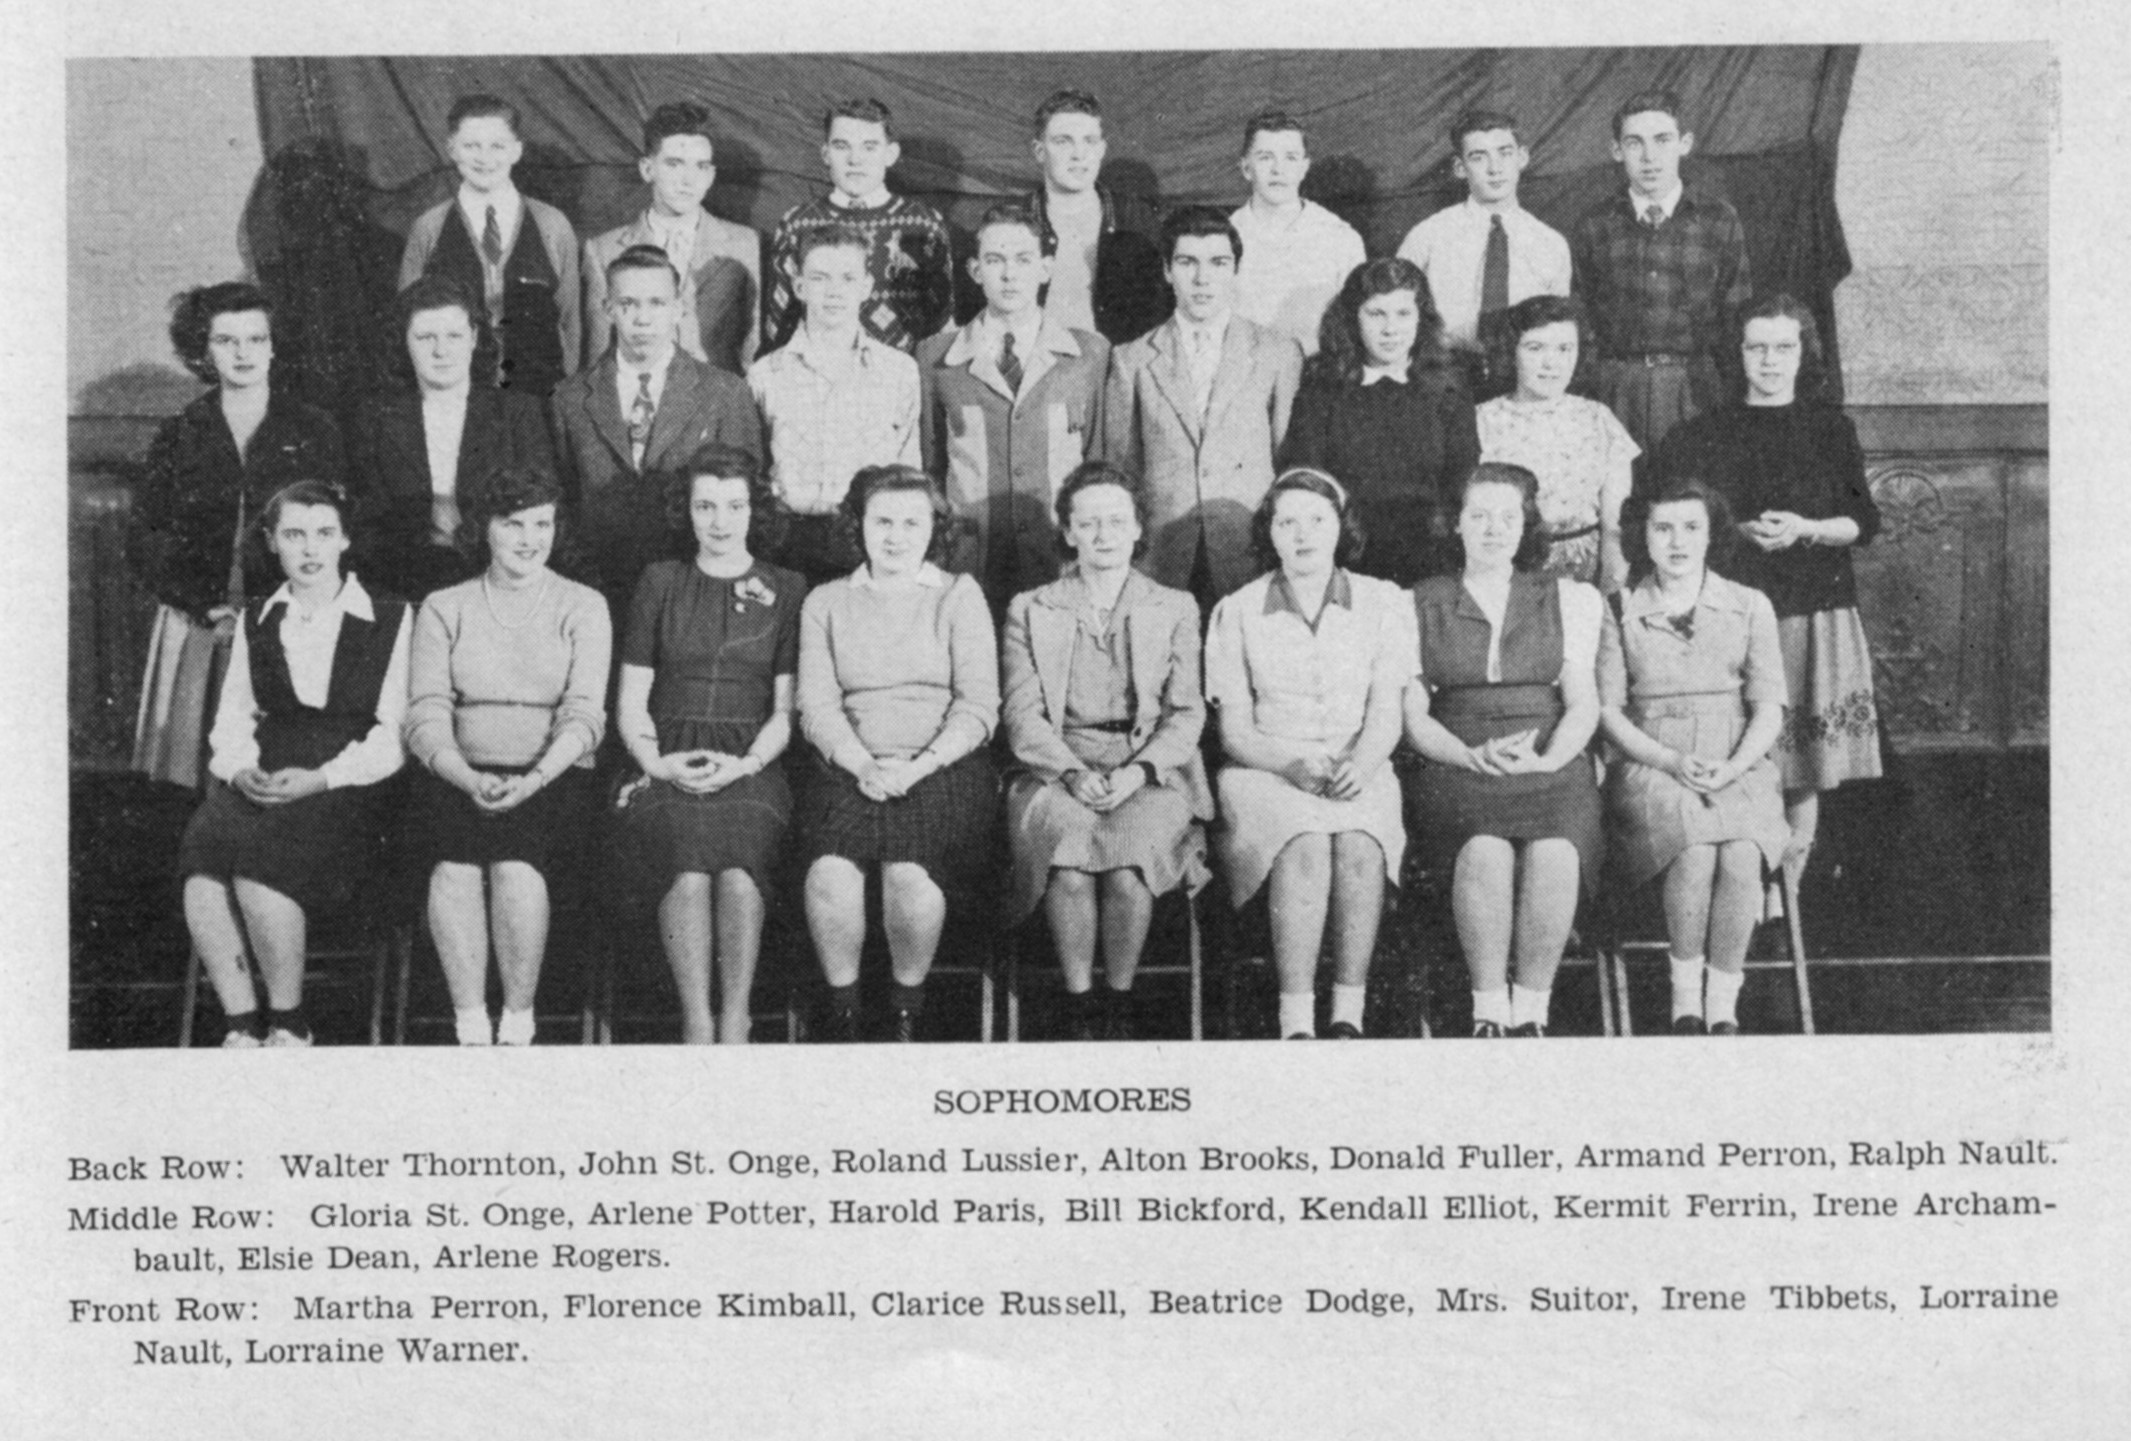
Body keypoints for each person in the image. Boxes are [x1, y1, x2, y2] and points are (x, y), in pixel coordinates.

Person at [1648, 293, 1882, 892]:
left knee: (1802, 767)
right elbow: (1678, 522)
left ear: (1804, 354)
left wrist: (1806, 528)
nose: (1771, 360)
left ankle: (1788, 893)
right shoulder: (1702, 433)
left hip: (1814, 607)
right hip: (1733, 612)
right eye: (1757, 348)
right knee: (1744, 755)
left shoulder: (1831, 428)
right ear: (1738, 353)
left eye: (1784, 347)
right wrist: (1737, 531)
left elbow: (1863, 523)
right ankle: (1744, 889)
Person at [178, 481, 411, 1047]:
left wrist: (322, 779)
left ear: (345, 540)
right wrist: (239, 769)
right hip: (267, 772)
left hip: (351, 782)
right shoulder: (257, 617)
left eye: (324, 533)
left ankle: (289, 1024)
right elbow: (233, 718)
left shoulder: (390, 616)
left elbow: (394, 735)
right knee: (203, 862)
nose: (310, 549)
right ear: (272, 542)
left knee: (259, 864)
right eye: (294, 535)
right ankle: (241, 1025)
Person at [1000, 464, 1211, 1040]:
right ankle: (1079, 1009)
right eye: (1088, 522)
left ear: (1138, 528)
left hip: (1150, 770)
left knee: (1126, 867)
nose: (1103, 534)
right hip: (1054, 768)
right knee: (1067, 865)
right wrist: (1069, 773)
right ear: (1068, 532)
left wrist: (1139, 771)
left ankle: (1119, 1004)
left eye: (1117, 521)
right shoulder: (1031, 607)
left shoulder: (1175, 605)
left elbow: (1186, 712)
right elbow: (1022, 714)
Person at [404, 467, 612, 1045]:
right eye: (513, 524)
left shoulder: (584, 605)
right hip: (456, 773)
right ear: (484, 529)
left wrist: (535, 778)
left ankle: (519, 1022)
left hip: (553, 775)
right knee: (454, 870)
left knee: (516, 866)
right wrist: (465, 776)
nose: (529, 539)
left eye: (542, 524)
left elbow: (585, 716)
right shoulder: (444, 606)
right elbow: (425, 713)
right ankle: (470, 1025)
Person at [795, 466, 1000, 1042]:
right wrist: (862, 764)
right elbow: (816, 706)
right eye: (882, 521)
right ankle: (844, 1016)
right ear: (857, 526)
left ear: (934, 529)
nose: (896, 536)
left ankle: (906, 1013)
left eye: (913, 523)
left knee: (908, 871)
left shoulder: (959, 595)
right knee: (830, 874)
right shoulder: (825, 601)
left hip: (943, 767)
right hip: (848, 767)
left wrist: (919, 766)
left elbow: (979, 706)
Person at [1204, 470, 1411, 1039]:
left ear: (1341, 527)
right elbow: (1235, 731)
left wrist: (1362, 766)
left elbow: (1387, 712)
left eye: (1317, 520)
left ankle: (1348, 1013)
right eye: (1286, 521)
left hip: (1359, 761)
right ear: (1268, 533)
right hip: (1266, 768)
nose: (1303, 534)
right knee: (1305, 843)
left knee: (1361, 844)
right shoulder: (1237, 610)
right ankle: (1295, 1019)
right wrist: (1289, 765)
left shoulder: (1384, 601)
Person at [1404, 462, 1603, 1038]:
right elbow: (1413, 716)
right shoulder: (1418, 601)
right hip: (1456, 758)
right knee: (1485, 850)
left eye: (1508, 517)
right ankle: (1488, 1008)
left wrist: (1551, 759)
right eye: (1479, 516)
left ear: (1525, 525)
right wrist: (1466, 756)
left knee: (1556, 851)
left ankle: (1533, 1011)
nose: (1494, 529)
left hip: (1550, 758)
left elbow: (1583, 703)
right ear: (1456, 523)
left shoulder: (1568, 597)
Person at [614, 449, 805, 1045]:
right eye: (705, 507)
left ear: (754, 510)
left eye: (734, 506)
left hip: (752, 758)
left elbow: (785, 711)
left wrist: (747, 764)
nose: (720, 522)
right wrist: (655, 762)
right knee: (690, 873)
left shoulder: (788, 587)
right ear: (687, 511)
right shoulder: (660, 582)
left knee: (741, 875)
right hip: (666, 751)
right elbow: (631, 700)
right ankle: (696, 1019)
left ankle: (735, 1018)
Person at [131, 282, 346, 790]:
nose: (243, 353)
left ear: (274, 346)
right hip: (202, 621)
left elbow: (340, 528)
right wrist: (203, 606)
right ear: (204, 350)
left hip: (293, 617)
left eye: (256, 339)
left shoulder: (314, 429)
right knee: (201, 770)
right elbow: (145, 537)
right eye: (226, 341)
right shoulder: (180, 432)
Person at [1598, 477, 1789, 1035]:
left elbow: (1769, 707)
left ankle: (1723, 1005)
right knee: (1696, 848)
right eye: (1663, 528)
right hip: (1651, 760)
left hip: (1736, 756)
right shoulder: (1619, 607)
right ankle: (1685, 1001)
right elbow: (1609, 712)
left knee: (1742, 853)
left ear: (1712, 535)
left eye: (1691, 528)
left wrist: (1734, 766)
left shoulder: (1749, 605)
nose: (1677, 541)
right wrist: (1669, 761)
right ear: (1643, 536)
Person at [1102, 206, 1304, 610]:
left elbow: (1290, 465)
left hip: (1249, 550)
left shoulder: (1277, 353)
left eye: (1218, 262)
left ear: (1235, 270)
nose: (1202, 278)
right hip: (1162, 555)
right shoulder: (1132, 360)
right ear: (1167, 271)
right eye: (1187, 262)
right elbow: (1122, 470)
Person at [551, 244, 763, 614]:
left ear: (679, 308)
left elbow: (749, 505)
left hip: (695, 592)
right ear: (607, 309)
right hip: (598, 592)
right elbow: (560, 504)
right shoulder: (570, 398)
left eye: (657, 303)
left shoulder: (724, 392)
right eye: (628, 304)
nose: (643, 319)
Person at [918, 204, 1109, 604]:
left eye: (1023, 260)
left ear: (1046, 269)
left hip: (1059, 559)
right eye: (995, 260)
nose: (1009, 274)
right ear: (975, 271)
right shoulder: (936, 357)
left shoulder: (1088, 354)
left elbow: (1098, 463)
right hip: (970, 564)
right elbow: (931, 467)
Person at [350, 273, 554, 600]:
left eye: (454, 335)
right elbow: (368, 526)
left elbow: (542, 513)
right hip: (404, 584)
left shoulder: (517, 412)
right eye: (425, 337)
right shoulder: (375, 418)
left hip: (501, 581)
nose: (441, 350)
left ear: (474, 337)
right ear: (404, 341)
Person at [1278, 257, 1478, 587]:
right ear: (1352, 318)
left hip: (1431, 560)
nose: (1390, 329)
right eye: (1376, 314)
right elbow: (1307, 481)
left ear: (1421, 318)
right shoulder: (1322, 386)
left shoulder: (1449, 386)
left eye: (1403, 314)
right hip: (1344, 557)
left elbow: (1462, 479)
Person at [1570, 88, 1751, 453]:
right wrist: (1600, 385)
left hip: (1695, 386)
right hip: (1617, 386)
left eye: (1662, 140)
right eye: (1634, 143)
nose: (1649, 157)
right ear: (1616, 150)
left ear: (1685, 144)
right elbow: (1579, 314)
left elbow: (1737, 316)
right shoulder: (1595, 223)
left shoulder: (1719, 219)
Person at [749, 227, 920, 584]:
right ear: (799, 286)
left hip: (868, 546)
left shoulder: (899, 371)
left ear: (866, 287)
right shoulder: (765, 374)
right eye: (819, 278)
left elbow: (909, 473)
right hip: (786, 546)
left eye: (847, 278)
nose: (834, 291)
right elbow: (754, 474)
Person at [399, 94, 581, 400]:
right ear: (451, 149)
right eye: (471, 146)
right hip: (456, 402)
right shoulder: (429, 228)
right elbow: (409, 324)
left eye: (497, 146)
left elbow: (569, 322)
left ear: (517, 150)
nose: (484, 158)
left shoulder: (552, 225)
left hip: (537, 399)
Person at [762, 98, 956, 355]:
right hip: (818, 373)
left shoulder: (923, 223)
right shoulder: (798, 223)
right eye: (842, 146)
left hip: (900, 375)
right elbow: (778, 327)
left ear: (890, 154)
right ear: (825, 154)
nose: (855, 159)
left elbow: (942, 326)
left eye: (869, 147)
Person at [583, 101, 763, 376]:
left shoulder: (744, 243)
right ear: (647, 169)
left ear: (711, 175)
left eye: (700, 166)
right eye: (674, 164)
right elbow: (598, 360)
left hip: (717, 397)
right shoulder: (603, 250)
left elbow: (752, 347)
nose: (688, 180)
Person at [1474, 293, 1637, 590]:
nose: (1551, 363)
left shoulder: (1598, 418)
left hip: (1585, 577)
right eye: (1535, 348)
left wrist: (1611, 587)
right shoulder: (1481, 421)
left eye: (1564, 349)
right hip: (1507, 573)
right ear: (1511, 352)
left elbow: (1615, 524)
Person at [1396, 108, 1572, 363]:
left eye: (1505, 153)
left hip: (1522, 369)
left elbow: (1556, 329)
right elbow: (1397, 312)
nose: (1495, 168)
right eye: (1479, 157)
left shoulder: (1551, 244)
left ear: (1522, 157)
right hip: (1445, 368)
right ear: (1460, 167)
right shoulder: (1427, 236)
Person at [1019, 89, 1171, 345]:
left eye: (1089, 141)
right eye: (1063, 141)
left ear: (1101, 149)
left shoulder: (1136, 219)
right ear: (1039, 151)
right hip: (1033, 363)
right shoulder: (1014, 220)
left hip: (1117, 363)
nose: (1079, 154)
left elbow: (1165, 307)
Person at [1227, 111, 1367, 356]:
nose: (1278, 169)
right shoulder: (1220, 239)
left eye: (1290, 158)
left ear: (1304, 168)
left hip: (1319, 372)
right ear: (1246, 168)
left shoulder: (1340, 238)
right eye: (1265, 157)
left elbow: (1357, 326)